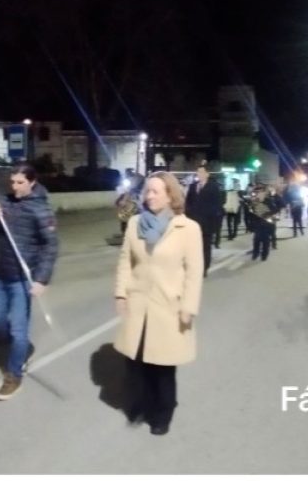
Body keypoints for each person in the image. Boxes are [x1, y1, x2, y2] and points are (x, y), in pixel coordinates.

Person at [114, 171, 203, 436]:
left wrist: (189, 306)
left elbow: (194, 271)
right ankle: (141, 404)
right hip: (139, 304)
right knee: (137, 362)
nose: (149, 196)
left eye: (156, 191)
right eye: (147, 191)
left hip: (169, 307)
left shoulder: (187, 228)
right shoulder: (135, 224)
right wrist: (121, 293)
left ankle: (162, 414)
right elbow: (125, 262)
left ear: (170, 195)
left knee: (162, 367)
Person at [0, 163, 59, 401]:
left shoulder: (41, 210)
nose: (15, 187)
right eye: (13, 182)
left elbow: (51, 246)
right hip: (0, 273)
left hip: (22, 280)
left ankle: (14, 375)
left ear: (32, 182)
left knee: (18, 330)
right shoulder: (4, 202)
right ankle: (21, 350)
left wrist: (41, 279)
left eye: (20, 183)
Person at [184, 164, 222, 277]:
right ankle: (194, 267)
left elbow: (217, 205)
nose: (199, 175)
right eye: (198, 172)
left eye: (201, 172)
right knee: (193, 247)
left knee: (205, 247)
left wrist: (214, 221)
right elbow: (188, 202)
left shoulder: (213, 187)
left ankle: (204, 268)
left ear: (207, 174)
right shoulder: (193, 186)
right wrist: (189, 214)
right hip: (193, 222)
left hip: (207, 223)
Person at [246, 184, 279, 261]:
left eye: (260, 191)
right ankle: (255, 253)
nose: (258, 193)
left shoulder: (268, 200)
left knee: (265, 240)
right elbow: (250, 212)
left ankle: (264, 254)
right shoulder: (254, 201)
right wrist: (250, 223)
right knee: (256, 239)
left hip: (266, 223)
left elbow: (275, 210)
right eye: (257, 192)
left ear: (264, 192)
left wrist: (267, 214)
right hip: (257, 222)